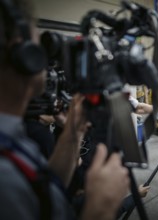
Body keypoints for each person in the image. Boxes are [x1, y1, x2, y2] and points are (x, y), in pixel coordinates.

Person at [0, 0, 129, 219]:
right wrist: (99, 209)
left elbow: (43, 187)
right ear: (24, 55)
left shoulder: (12, 134)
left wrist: (73, 132)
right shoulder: (5, 179)